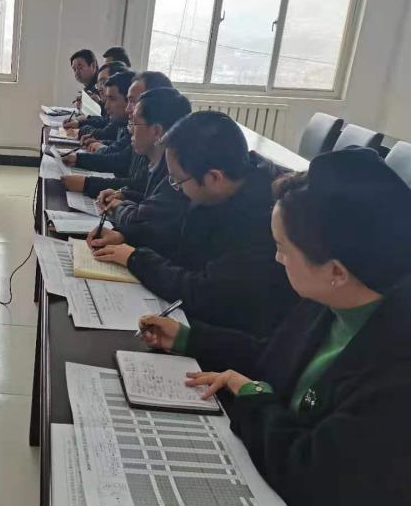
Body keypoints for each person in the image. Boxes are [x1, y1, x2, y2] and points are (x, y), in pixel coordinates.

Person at [139, 148, 411, 505]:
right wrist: (189, 338)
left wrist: (252, 397)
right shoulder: (336, 299)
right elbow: (274, 355)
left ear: (336, 271)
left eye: (283, 248)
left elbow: (311, 474)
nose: (277, 259)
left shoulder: (395, 369)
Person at [93, 110, 297, 336]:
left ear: (214, 178)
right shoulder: (224, 180)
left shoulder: (266, 221)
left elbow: (204, 293)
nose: (175, 187)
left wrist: (135, 259)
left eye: (177, 180)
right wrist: (126, 235)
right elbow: (174, 229)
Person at [87, 87, 192, 256]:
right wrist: (123, 195)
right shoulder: (157, 162)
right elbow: (151, 204)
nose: (130, 129)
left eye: (134, 123)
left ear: (156, 131)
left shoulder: (176, 174)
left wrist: (119, 207)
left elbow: (147, 220)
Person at [62, 71, 174, 197]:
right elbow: (120, 160)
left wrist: (87, 184)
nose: (128, 109)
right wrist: (79, 159)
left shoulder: (169, 156)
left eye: (134, 101)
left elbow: (140, 186)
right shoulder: (142, 138)